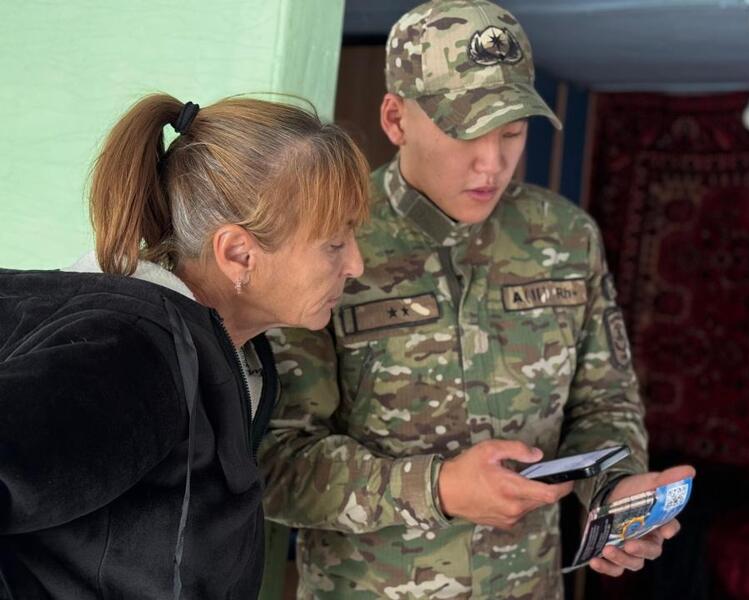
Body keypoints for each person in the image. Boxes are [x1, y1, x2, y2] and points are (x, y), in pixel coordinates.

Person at [260, 1, 694, 598]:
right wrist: (437, 488)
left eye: (511, 132)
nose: (492, 164)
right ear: (396, 119)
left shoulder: (565, 238)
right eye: (465, 132)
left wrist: (616, 489)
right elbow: (276, 463)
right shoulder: (326, 240)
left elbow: (603, 404)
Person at [0, 93, 369, 599]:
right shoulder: (132, 358)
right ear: (238, 254)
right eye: (334, 244)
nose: (356, 265)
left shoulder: (224, 351)